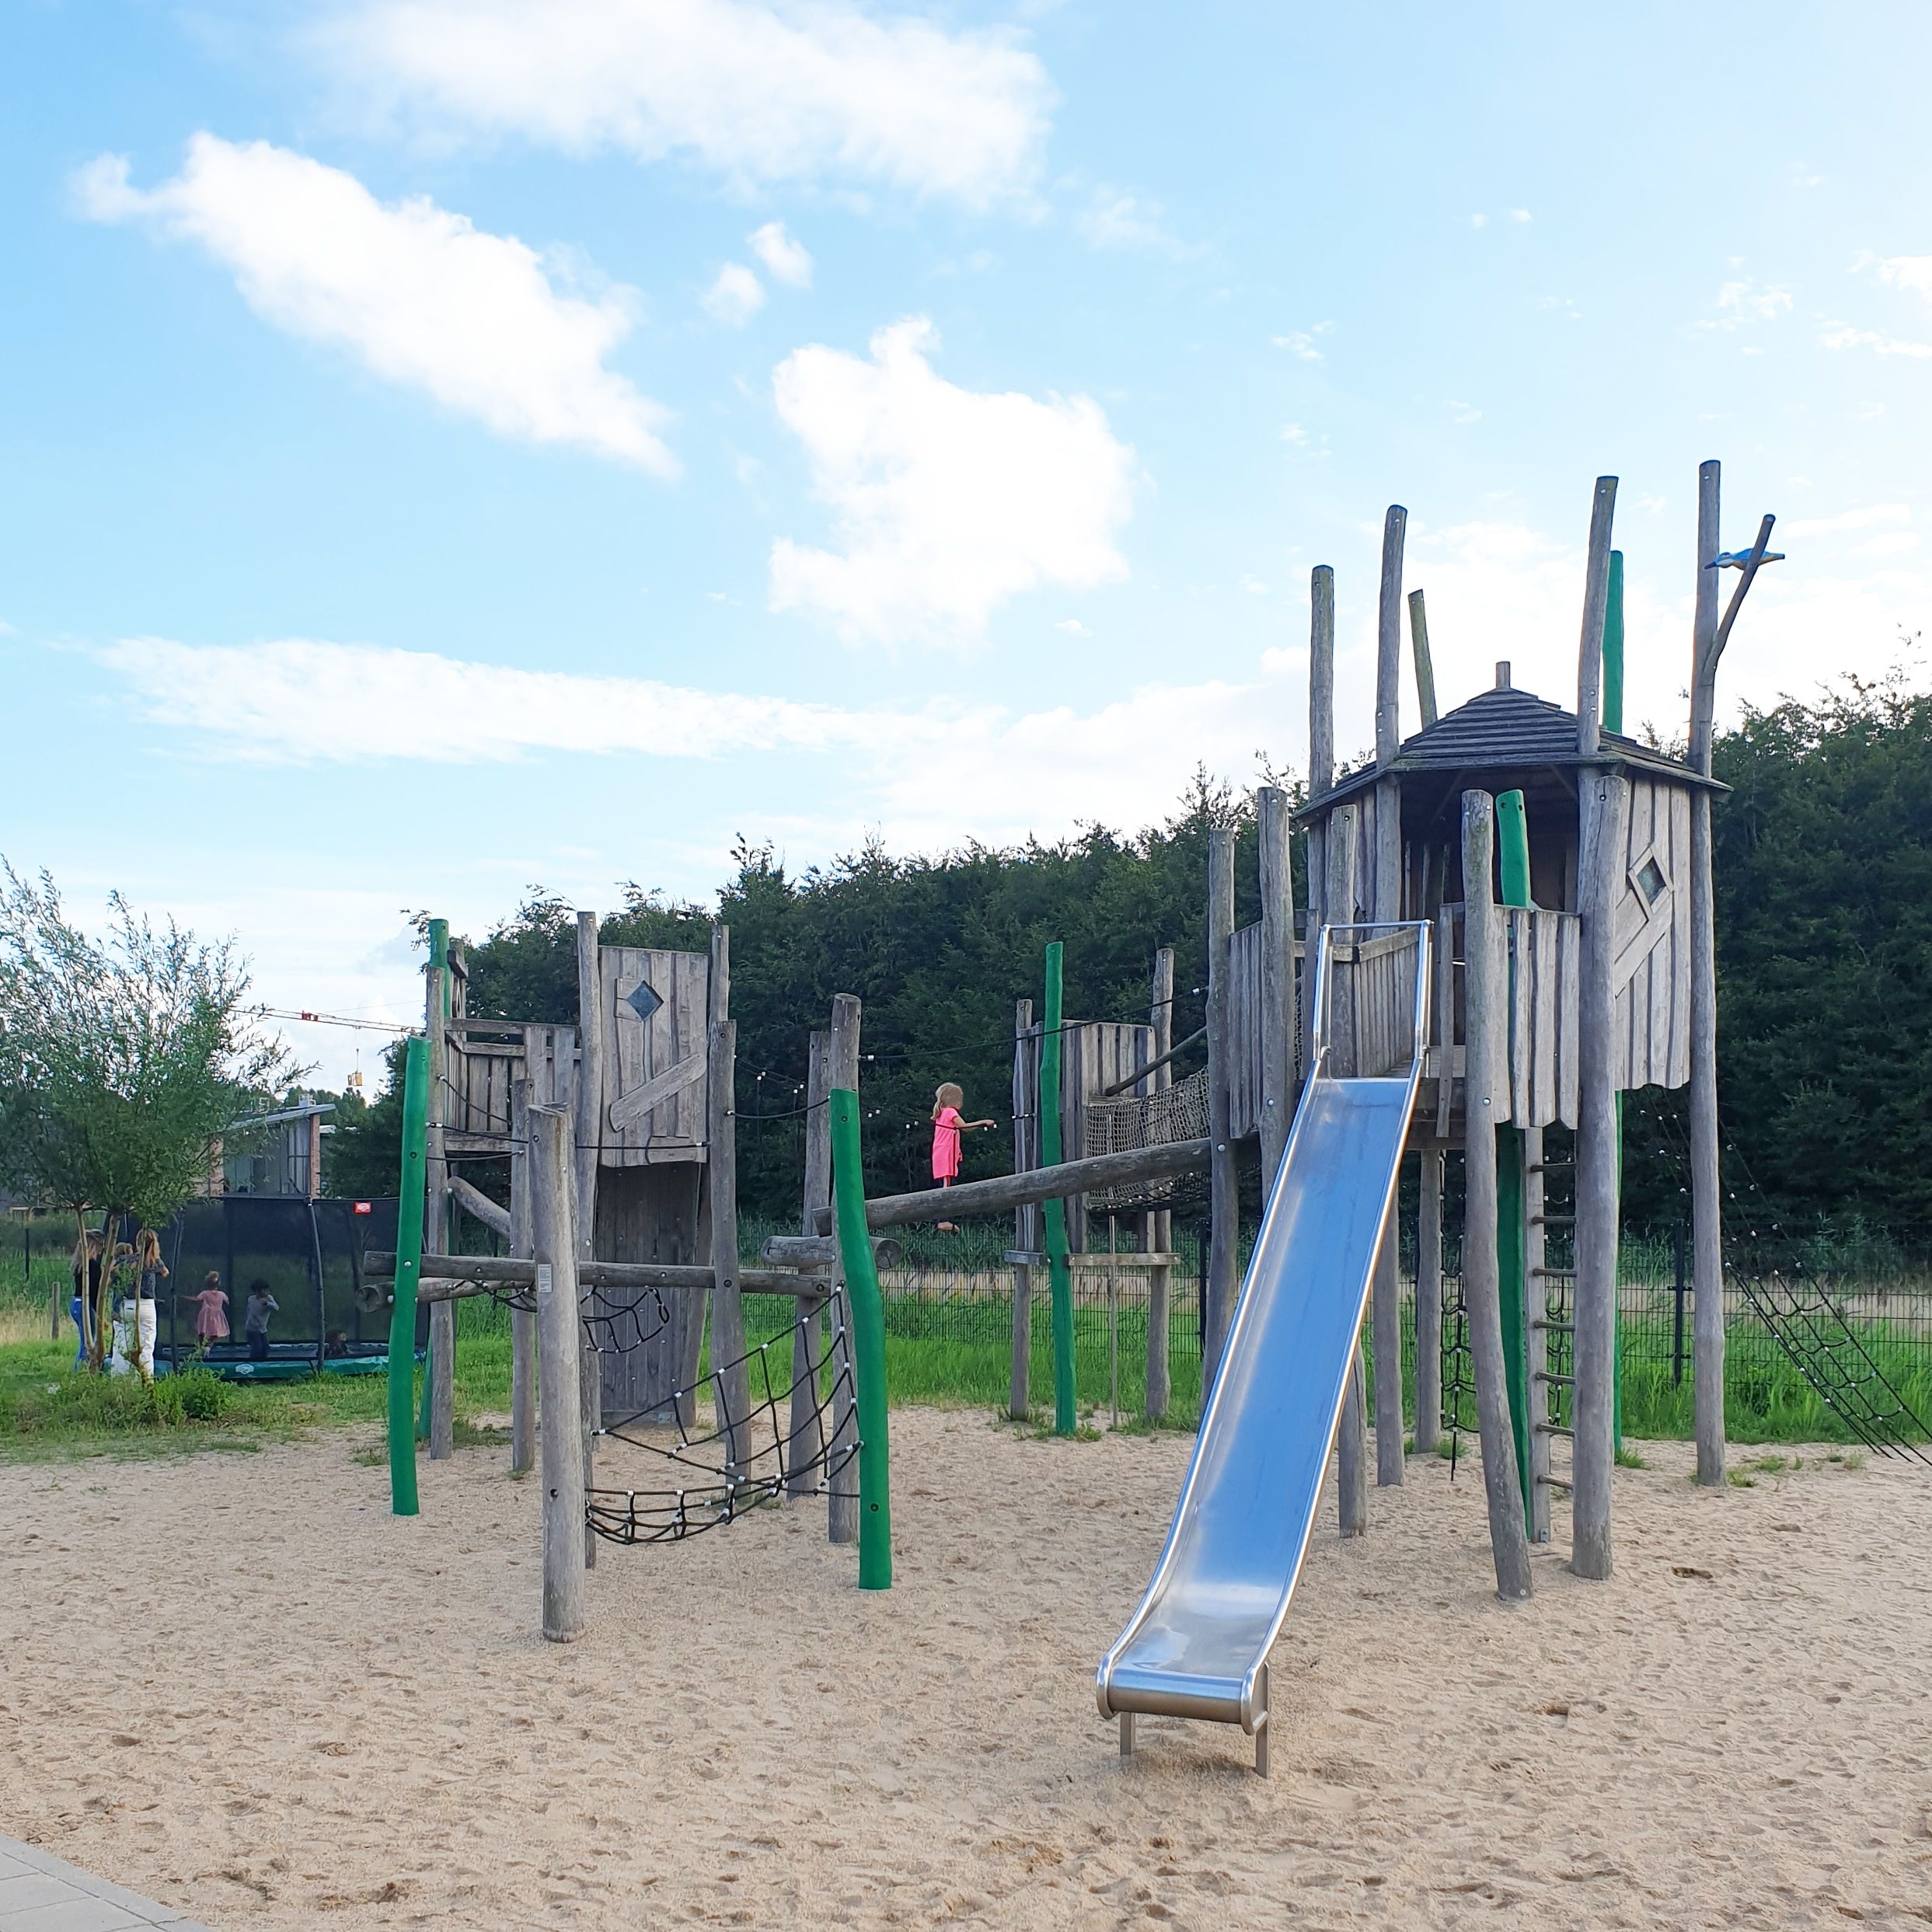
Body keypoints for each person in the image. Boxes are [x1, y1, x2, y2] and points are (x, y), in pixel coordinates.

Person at [930, 1083, 996, 1233]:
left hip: (942, 1154)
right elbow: (965, 1127)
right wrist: (983, 1122)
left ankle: (944, 1219)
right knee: (946, 1188)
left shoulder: (941, 1113)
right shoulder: (949, 1112)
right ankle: (943, 1220)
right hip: (946, 1154)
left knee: (945, 1186)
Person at [132, 1229, 169, 1382]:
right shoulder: (154, 1261)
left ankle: (129, 1379)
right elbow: (165, 1273)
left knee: (129, 1343)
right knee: (147, 1345)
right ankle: (147, 1379)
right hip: (147, 1304)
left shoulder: (131, 1260)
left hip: (130, 1303)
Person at [68, 1232, 103, 1371]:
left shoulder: (80, 1265)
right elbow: (94, 1291)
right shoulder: (93, 1266)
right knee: (88, 1343)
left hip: (76, 1302)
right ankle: (79, 1371)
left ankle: (79, 1369)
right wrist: (99, 1313)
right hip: (85, 1304)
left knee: (84, 1340)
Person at [184, 1271, 229, 1353]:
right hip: (217, 1315)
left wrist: (186, 1298)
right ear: (218, 1283)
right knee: (216, 1331)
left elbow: (197, 1299)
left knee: (203, 1330)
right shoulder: (221, 1294)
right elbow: (227, 1301)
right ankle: (208, 1346)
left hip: (206, 1314)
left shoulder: (205, 1293)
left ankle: (202, 1347)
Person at [242, 1279, 279, 1363]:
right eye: (263, 1290)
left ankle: (262, 1364)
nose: (266, 1292)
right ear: (257, 1291)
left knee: (265, 1348)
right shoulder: (251, 1299)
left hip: (262, 1329)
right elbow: (250, 1311)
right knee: (257, 1348)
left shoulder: (269, 1298)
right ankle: (252, 1364)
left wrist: (268, 1304)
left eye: (267, 1290)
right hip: (252, 1329)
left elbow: (276, 1308)